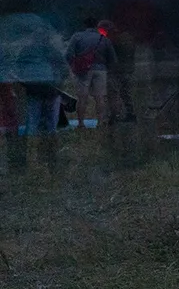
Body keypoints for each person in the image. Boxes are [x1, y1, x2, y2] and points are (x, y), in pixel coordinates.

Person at [1, 13, 69, 172]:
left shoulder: (26, 50)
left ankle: (33, 162)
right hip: (51, 90)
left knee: (33, 124)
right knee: (51, 126)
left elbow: (18, 68)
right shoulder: (51, 50)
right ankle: (50, 160)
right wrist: (58, 82)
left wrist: (24, 83)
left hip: (33, 91)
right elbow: (63, 67)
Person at [66, 17, 118, 126]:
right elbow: (113, 59)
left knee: (82, 98)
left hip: (83, 71)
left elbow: (68, 54)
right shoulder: (103, 39)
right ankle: (100, 122)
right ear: (96, 26)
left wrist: (74, 66)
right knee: (100, 98)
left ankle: (81, 123)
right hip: (101, 70)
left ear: (84, 25)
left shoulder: (77, 36)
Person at [98, 19, 136, 122]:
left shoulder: (113, 40)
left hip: (116, 71)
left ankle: (114, 116)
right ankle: (130, 114)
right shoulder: (127, 37)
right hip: (127, 70)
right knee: (125, 93)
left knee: (112, 93)